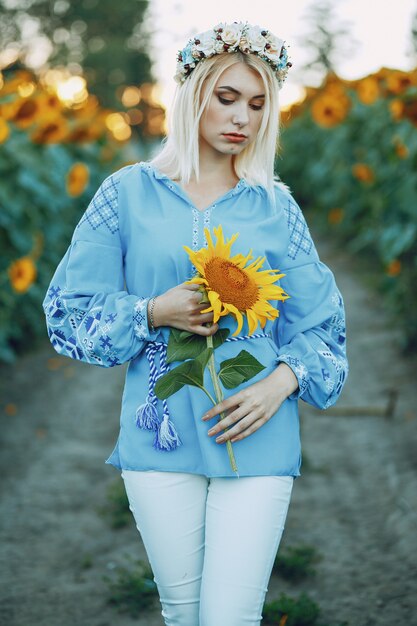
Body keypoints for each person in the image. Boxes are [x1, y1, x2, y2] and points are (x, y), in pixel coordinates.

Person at [42, 20, 349, 626]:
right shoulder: (124, 194)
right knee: (183, 615)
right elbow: (66, 314)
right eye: (227, 98)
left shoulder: (274, 205)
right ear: (191, 96)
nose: (243, 118)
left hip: (255, 433)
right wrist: (152, 311)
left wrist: (282, 381)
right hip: (158, 434)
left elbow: (325, 329)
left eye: (259, 104)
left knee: (230, 617)